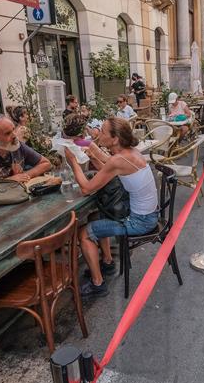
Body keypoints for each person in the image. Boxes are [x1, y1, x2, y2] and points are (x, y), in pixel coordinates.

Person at [64, 117, 159, 299]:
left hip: (139, 222)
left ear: (115, 139)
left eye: (103, 131)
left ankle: (97, 283)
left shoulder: (119, 160)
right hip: (149, 215)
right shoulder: (130, 153)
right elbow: (111, 166)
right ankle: (106, 263)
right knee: (97, 217)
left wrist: (73, 161)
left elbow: (86, 188)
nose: (98, 133)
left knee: (83, 233)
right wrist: (94, 153)